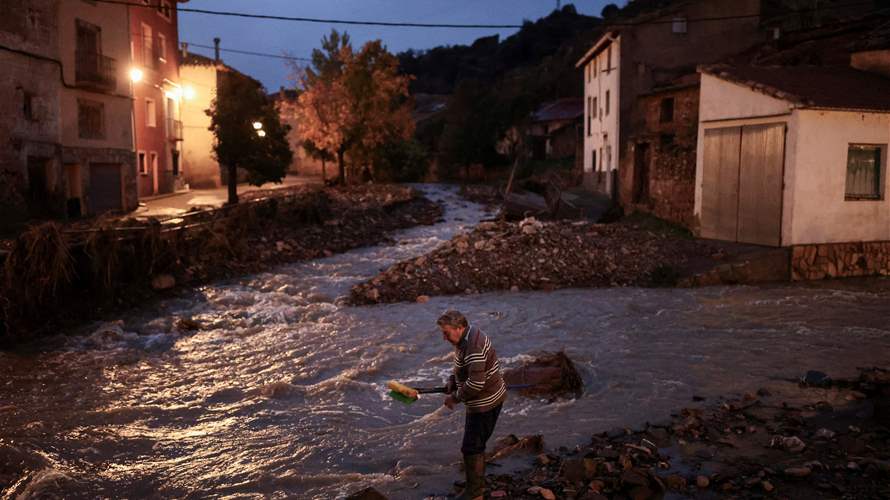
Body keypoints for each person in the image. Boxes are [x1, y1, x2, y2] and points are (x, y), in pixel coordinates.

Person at [437, 310, 506, 500]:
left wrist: (455, 398)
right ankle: (474, 485)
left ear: (460, 328)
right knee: (475, 444)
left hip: (485, 402)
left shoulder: (473, 346)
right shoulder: (465, 338)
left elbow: (476, 384)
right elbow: (463, 367)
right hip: (483, 399)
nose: (444, 337)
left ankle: (475, 494)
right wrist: (453, 380)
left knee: (472, 447)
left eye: (446, 333)